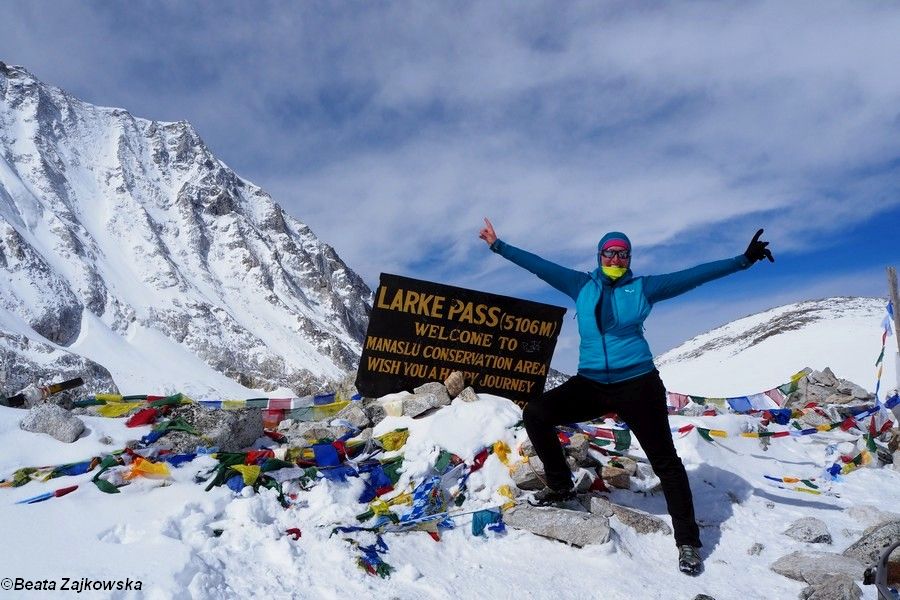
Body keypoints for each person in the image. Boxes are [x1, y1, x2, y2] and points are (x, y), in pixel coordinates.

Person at [478, 218, 774, 575]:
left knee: (666, 462)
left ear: (629, 259)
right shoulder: (580, 284)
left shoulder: (643, 288)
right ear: (599, 255)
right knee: (537, 413)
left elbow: (694, 275)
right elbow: (539, 266)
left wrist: (742, 261)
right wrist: (499, 245)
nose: (616, 259)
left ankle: (688, 542)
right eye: (610, 253)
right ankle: (560, 487)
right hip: (590, 384)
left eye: (623, 254)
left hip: (638, 385)